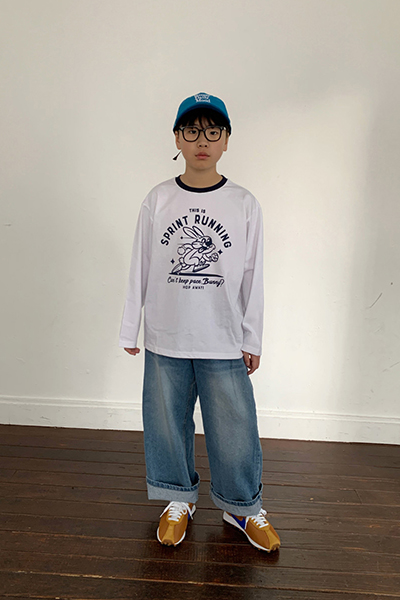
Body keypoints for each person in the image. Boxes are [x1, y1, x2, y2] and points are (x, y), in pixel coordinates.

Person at [119, 92, 280, 552]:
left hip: (223, 336)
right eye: (192, 131)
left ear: (226, 140)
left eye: (212, 131)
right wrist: (131, 326)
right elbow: (140, 265)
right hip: (166, 334)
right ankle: (178, 499)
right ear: (177, 139)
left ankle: (241, 506)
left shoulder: (244, 203)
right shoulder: (158, 199)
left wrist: (252, 337)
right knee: (166, 423)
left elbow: (253, 275)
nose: (202, 141)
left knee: (234, 426)